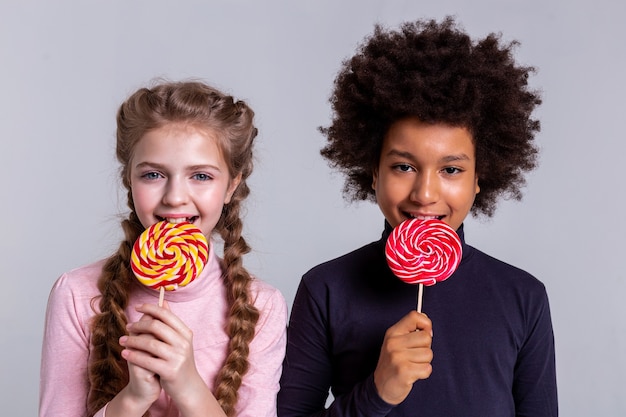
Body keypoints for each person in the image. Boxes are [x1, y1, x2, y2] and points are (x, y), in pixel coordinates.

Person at [278, 17, 557, 417]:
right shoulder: (325, 289)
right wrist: (377, 392)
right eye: (403, 167)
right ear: (373, 172)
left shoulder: (523, 297)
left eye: (452, 170)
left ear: (480, 177)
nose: (425, 194)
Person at [40, 80, 287, 417]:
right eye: (153, 174)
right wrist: (132, 398)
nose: (174, 197)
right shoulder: (77, 294)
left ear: (231, 185)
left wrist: (188, 386)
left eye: (200, 176)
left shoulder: (262, 306)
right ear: (129, 178)